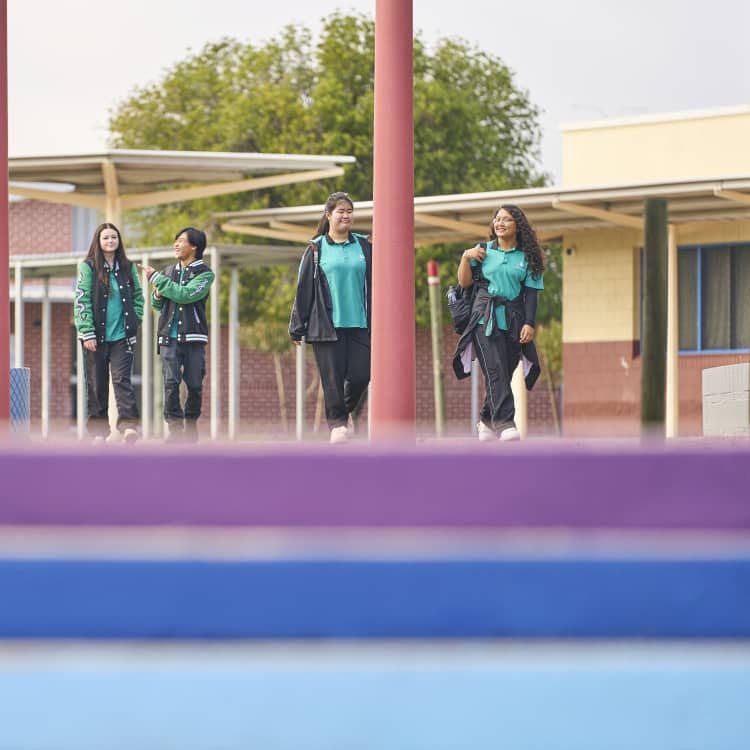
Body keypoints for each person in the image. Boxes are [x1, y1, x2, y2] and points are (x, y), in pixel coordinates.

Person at [454, 204, 544, 442]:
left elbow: (531, 294)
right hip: (484, 319)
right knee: (495, 370)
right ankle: (505, 423)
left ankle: (485, 421)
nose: (500, 223)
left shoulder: (528, 258)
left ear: (518, 226)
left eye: (506, 219)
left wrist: (530, 323)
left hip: (514, 321)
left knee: (503, 372)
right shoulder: (482, 250)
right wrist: (465, 257)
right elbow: (464, 283)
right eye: (497, 219)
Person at [289, 192, 372, 444]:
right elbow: (304, 289)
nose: (346, 216)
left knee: (361, 375)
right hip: (326, 325)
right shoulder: (316, 249)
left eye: (349, 211)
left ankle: (343, 413)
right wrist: (297, 326)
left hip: (360, 323)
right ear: (328, 215)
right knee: (332, 379)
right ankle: (337, 424)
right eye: (340, 211)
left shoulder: (364, 246)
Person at [139, 227, 215, 443]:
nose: (176, 244)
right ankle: (174, 430)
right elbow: (157, 305)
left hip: (194, 338)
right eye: (176, 240)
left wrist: (156, 279)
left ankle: (190, 426)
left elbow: (186, 295)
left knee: (195, 385)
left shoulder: (205, 274)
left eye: (181, 241)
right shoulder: (168, 272)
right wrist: (157, 292)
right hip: (168, 338)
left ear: (194, 246)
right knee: (170, 384)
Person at [74, 223, 144, 443]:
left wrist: (135, 320)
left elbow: (138, 296)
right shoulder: (88, 267)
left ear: (119, 240)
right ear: (98, 241)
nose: (110, 241)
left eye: (114, 237)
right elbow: (82, 299)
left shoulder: (127, 266)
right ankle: (98, 432)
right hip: (95, 337)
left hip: (122, 337)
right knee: (97, 384)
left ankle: (129, 426)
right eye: (106, 238)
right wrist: (87, 331)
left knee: (122, 380)